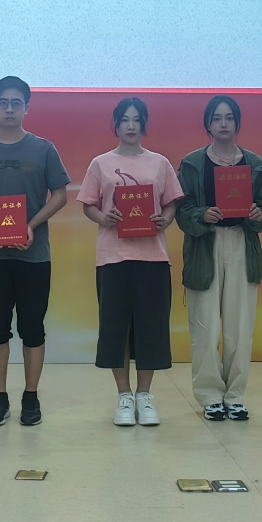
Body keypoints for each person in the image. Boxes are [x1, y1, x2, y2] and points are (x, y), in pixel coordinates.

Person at [0, 76, 70, 428]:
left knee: (33, 328)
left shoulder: (44, 149)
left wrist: (31, 225)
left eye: (16, 103)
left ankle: (31, 396)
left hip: (34, 256)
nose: (9, 109)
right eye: (3, 102)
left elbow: (60, 195)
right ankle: (0, 397)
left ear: (26, 107)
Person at [78, 97, 182, 427]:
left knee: (151, 327)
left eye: (137, 119)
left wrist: (165, 219)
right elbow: (88, 205)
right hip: (113, 258)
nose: (131, 125)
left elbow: (171, 204)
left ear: (144, 124)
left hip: (152, 257)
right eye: (125, 119)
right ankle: (124, 395)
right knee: (115, 328)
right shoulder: (101, 163)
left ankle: (145, 395)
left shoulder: (159, 162)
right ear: (116, 124)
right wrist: (103, 218)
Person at [175, 95, 262, 421]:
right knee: (205, 327)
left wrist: (257, 215)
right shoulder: (192, 163)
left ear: (237, 123)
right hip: (205, 247)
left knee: (239, 327)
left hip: (241, 244)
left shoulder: (255, 164)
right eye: (217, 117)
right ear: (208, 123)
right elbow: (181, 209)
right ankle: (210, 396)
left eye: (229, 117)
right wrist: (202, 214)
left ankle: (235, 395)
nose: (223, 123)